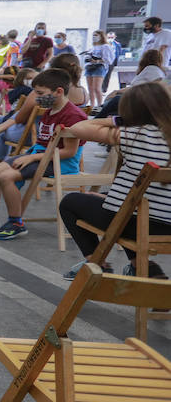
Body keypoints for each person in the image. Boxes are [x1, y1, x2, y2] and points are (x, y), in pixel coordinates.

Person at [57, 82, 171, 279]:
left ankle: (97, 262)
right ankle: (144, 269)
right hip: (166, 223)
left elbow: (78, 127)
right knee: (123, 208)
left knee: (70, 202)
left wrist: (119, 121)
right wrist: (106, 197)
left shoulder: (132, 134)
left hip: (136, 222)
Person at [0, 69, 88, 241]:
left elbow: (69, 152)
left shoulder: (73, 116)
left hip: (60, 162)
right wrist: (31, 155)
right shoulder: (50, 109)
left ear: (59, 91)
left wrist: (31, 157)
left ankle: (16, 223)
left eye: (40, 93)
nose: (36, 97)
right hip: (39, 155)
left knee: (7, 177)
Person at [83, 30, 116, 108]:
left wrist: (97, 60)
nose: (94, 37)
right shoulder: (93, 47)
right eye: (93, 35)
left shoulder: (105, 46)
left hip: (99, 67)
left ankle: (99, 105)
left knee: (96, 88)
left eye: (96, 35)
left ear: (101, 36)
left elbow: (108, 60)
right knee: (90, 88)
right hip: (89, 67)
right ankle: (92, 105)